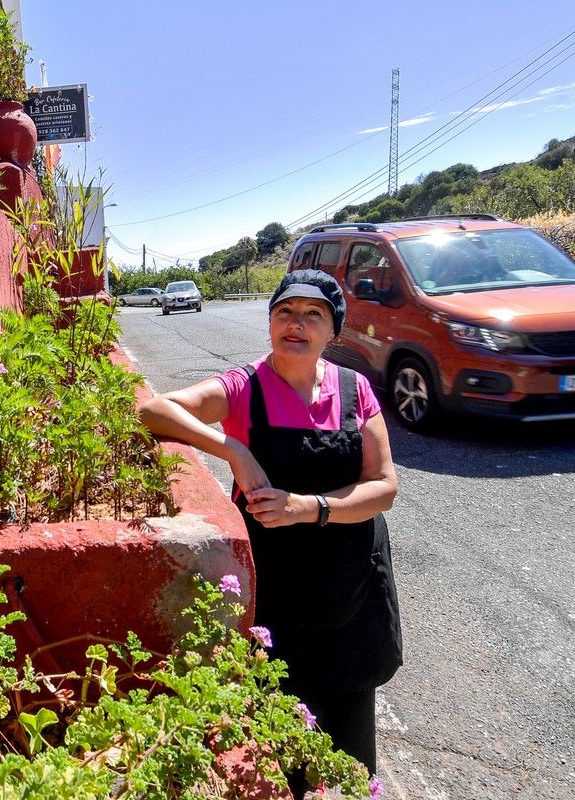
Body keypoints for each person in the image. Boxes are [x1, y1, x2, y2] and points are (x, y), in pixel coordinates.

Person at [138, 269, 402, 794]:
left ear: (334, 331)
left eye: (313, 315)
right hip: (279, 594)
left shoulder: (356, 391)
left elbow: (384, 487)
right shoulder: (245, 389)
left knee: (351, 752)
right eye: (285, 312)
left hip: (352, 587)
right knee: (282, 744)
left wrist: (310, 507)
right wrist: (233, 450)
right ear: (270, 322)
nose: (296, 325)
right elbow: (153, 410)